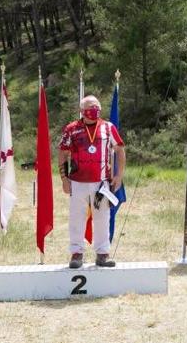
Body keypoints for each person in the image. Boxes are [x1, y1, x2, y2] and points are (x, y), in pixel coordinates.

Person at [58, 95, 126, 268]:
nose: (94, 109)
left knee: (102, 217)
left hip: (101, 183)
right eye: (90, 107)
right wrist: (64, 179)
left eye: (97, 107)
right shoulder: (71, 129)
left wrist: (119, 175)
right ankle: (76, 254)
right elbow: (63, 154)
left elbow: (120, 149)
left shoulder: (108, 127)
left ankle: (102, 254)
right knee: (76, 218)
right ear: (82, 110)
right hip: (77, 182)